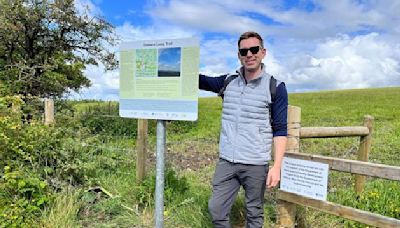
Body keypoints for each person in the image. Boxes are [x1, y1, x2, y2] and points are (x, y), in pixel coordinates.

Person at [199, 31, 288, 227]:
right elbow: (202, 81)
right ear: (239, 55)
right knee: (216, 208)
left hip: (255, 163)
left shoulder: (276, 87)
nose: (249, 54)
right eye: (244, 51)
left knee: (254, 212)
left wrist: (277, 166)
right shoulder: (228, 81)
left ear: (263, 52)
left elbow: (280, 130)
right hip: (227, 161)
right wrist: (175, 69)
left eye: (254, 49)